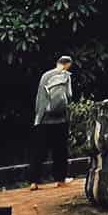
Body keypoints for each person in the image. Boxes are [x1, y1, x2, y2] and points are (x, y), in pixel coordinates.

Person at [30, 55, 73, 188]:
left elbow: (40, 98)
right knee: (60, 150)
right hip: (60, 120)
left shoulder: (45, 76)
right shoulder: (66, 75)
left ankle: (34, 181)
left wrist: (38, 117)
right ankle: (60, 180)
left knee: (39, 151)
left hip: (43, 120)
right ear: (67, 64)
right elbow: (69, 95)